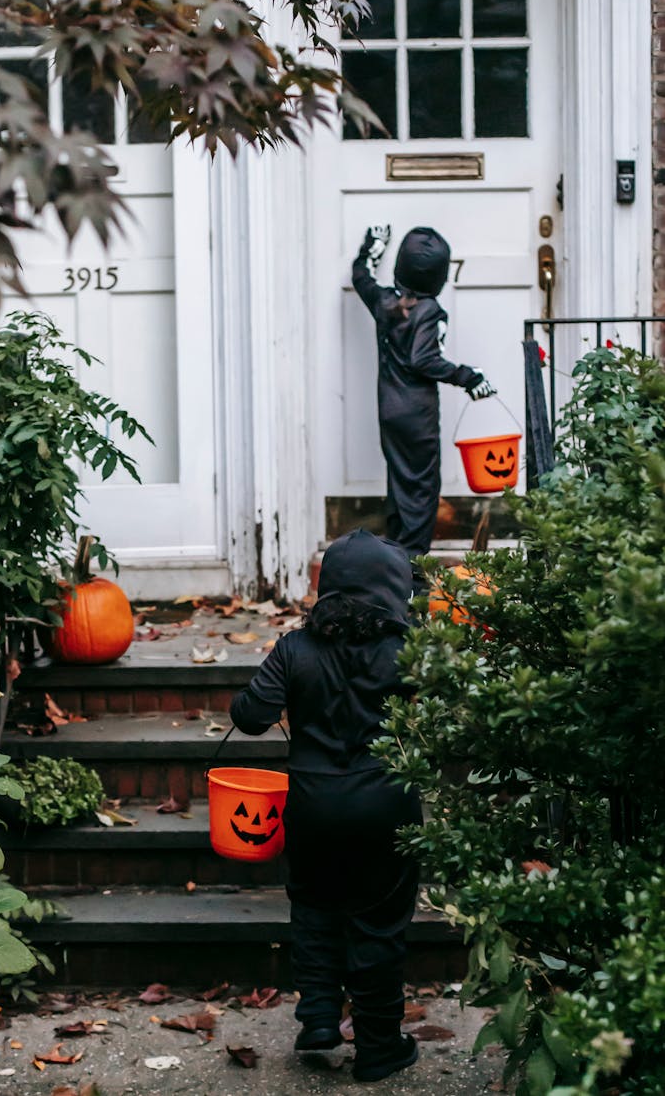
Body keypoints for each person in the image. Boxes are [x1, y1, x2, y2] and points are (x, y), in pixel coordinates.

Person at [230, 529, 423, 1084]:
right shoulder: (407, 651)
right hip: (384, 807)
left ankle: (318, 1018)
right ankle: (379, 1046)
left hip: (312, 806)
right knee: (379, 924)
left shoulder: (296, 648)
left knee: (314, 908)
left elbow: (250, 716)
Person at [352, 224, 496, 568]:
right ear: (438, 278)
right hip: (417, 417)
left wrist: (372, 247)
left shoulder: (384, 301)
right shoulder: (429, 310)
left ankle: (393, 564)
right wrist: (469, 377)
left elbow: (361, 277)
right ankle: (412, 572)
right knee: (421, 492)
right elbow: (423, 359)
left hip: (389, 411)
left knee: (400, 486)